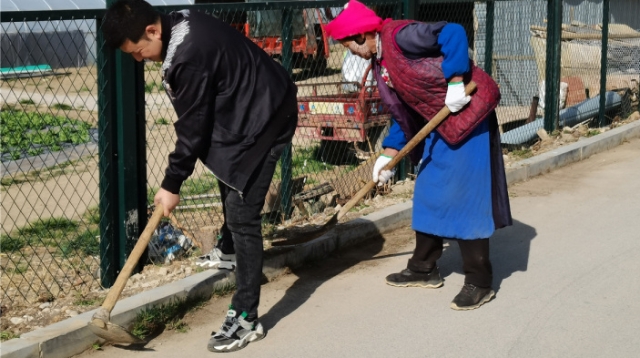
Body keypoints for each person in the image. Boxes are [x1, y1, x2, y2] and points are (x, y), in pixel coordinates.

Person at [103, 0, 298, 352]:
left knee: (243, 215)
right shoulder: (180, 22)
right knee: (225, 167)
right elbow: (199, 124)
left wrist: (171, 184)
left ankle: (246, 317)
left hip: (268, 114)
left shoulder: (187, 54)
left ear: (152, 30)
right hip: (245, 105)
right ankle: (229, 248)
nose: (138, 59)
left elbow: (192, 129)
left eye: (137, 51)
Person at [324, 0, 512, 310]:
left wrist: (454, 81)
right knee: (428, 191)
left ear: (363, 36)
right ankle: (423, 268)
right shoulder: (381, 63)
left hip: (469, 114)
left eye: (349, 47)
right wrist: (388, 153)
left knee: (465, 198)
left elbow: (453, 32)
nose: (351, 53)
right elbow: (403, 113)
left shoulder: (400, 37)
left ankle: (479, 282)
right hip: (444, 123)